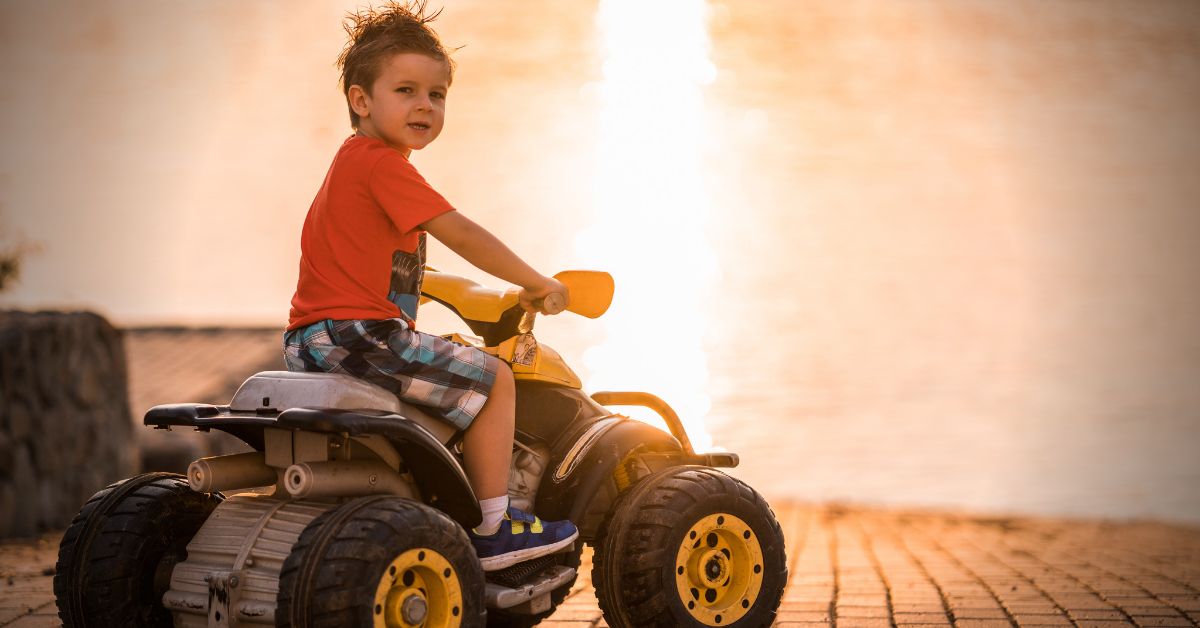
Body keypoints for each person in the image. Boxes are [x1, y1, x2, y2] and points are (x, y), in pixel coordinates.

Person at [283, 0, 576, 571]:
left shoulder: (350, 164)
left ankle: (435, 499)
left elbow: (369, 262)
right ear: (360, 100)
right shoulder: (383, 165)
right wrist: (534, 281)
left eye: (436, 95)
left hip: (316, 338)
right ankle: (495, 527)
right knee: (492, 379)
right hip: (357, 335)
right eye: (406, 90)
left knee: (451, 361)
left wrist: (434, 286)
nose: (424, 105)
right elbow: (461, 232)